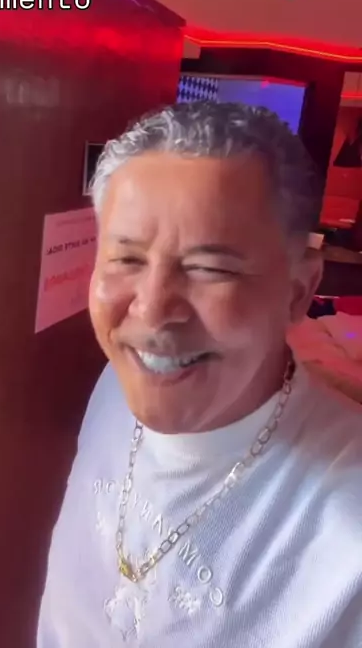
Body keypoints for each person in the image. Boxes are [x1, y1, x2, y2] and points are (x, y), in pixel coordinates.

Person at [37, 102, 362, 647]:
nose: (152, 311)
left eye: (209, 268)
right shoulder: (115, 386)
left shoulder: (346, 530)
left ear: (298, 291)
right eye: (126, 259)